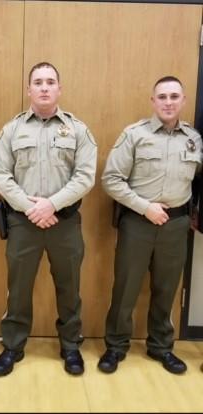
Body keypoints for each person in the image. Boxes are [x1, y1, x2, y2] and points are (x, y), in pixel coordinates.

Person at [0, 62, 97, 376]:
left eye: (51, 81)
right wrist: (30, 208)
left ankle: (71, 346)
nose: (44, 87)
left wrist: (51, 204)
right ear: (29, 89)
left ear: (59, 89)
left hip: (64, 224)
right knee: (18, 288)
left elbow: (85, 176)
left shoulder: (78, 129)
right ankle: (12, 346)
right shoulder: (12, 130)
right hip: (23, 224)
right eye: (38, 82)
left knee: (69, 288)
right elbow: (1, 176)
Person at [99, 76, 202, 375]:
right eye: (162, 97)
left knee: (167, 288)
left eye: (174, 96)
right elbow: (111, 180)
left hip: (176, 225)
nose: (168, 102)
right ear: (153, 101)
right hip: (138, 223)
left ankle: (161, 347)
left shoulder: (194, 139)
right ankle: (116, 346)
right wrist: (146, 208)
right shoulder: (135, 135)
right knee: (126, 288)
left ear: (183, 101)